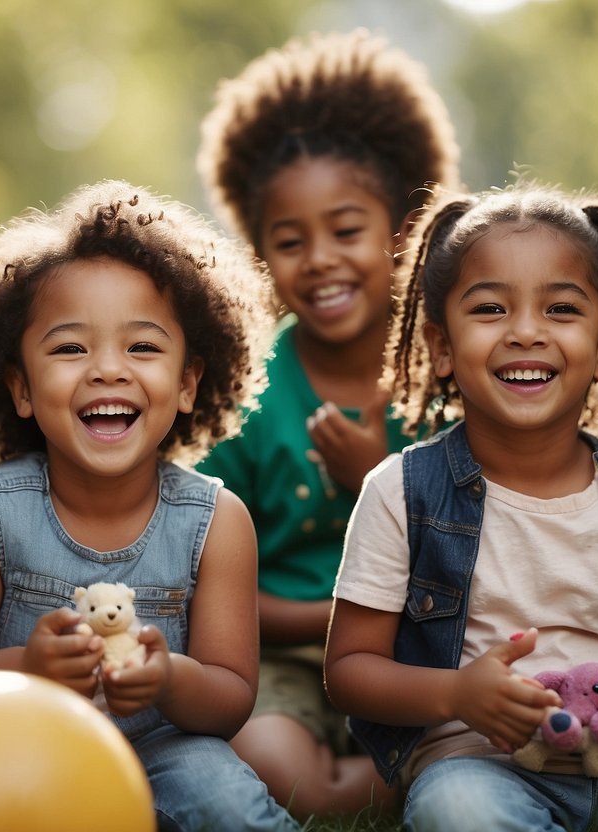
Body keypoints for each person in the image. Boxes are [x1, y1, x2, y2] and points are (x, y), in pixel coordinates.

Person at [324, 182, 598, 831]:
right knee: (459, 813)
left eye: (559, 309)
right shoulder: (400, 491)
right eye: (490, 309)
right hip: (477, 763)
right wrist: (454, 695)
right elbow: (349, 670)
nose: (525, 331)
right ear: (440, 346)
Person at [0, 179, 300, 832]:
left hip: (164, 748)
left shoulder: (216, 522)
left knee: (224, 800)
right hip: (19, 746)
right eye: (69, 348)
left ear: (188, 383)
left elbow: (230, 698)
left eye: (142, 347)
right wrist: (25, 668)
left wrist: (167, 677)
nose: (107, 370)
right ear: (21, 388)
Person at [193, 28, 459, 818]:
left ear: (402, 231)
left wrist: (376, 475)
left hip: (424, 652)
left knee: (482, 724)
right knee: (261, 756)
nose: (318, 259)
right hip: (281, 659)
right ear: (258, 253)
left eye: (345, 230)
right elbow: (221, 592)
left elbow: (479, 554)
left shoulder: (445, 374)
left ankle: (407, 775)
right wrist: (336, 621)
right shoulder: (245, 391)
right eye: (288, 240)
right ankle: (371, 790)